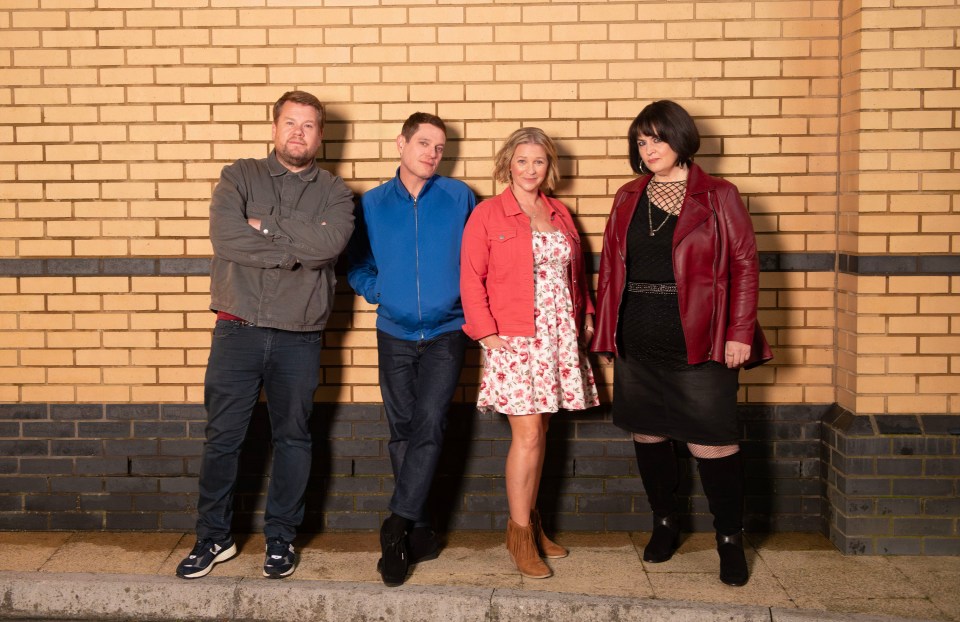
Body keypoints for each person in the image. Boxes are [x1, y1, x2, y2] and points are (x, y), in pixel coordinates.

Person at [176, 91, 355, 580]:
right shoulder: (239, 175)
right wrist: (295, 248)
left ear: (321, 134)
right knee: (223, 439)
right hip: (237, 330)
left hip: (300, 336)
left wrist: (266, 229)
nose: (299, 133)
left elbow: (329, 245)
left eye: (309, 125)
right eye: (290, 123)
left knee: (293, 438)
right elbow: (226, 236)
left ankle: (282, 539)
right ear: (274, 128)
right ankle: (213, 537)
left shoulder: (336, 193)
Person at [592, 100, 772, 587]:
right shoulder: (629, 195)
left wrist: (739, 332)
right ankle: (665, 523)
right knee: (648, 436)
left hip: (702, 340)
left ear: (681, 137)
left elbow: (744, 266)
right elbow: (610, 269)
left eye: (657, 138)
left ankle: (729, 540)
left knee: (712, 445)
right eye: (641, 142)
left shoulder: (719, 195)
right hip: (638, 338)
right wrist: (606, 330)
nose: (649, 149)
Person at [461, 127, 599, 579]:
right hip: (515, 337)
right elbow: (470, 276)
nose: (529, 169)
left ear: (549, 166)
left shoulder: (559, 212)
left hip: (558, 335)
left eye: (538, 161)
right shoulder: (488, 213)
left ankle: (533, 526)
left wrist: (588, 314)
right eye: (521, 161)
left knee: (541, 432)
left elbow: (576, 274)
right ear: (508, 163)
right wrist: (485, 333)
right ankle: (519, 536)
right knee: (529, 437)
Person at [347, 112, 476, 587]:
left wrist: (462, 298)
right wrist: (379, 291)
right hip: (394, 332)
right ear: (400, 143)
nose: (431, 153)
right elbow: (356, 262)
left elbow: (476, 257)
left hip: (447, 331)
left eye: (439, 147)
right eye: (423, 143)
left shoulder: (458, 196)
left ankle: (395, 525)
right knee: (401, 429)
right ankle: (419, 527)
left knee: (430, 425)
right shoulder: (374, 202)